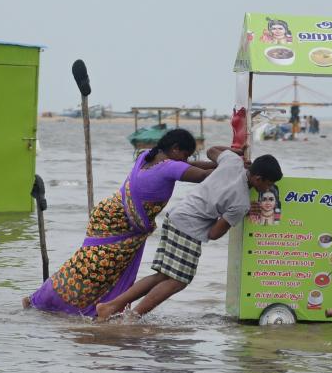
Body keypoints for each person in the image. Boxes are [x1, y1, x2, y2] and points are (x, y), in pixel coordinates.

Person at [22, 129, 221, 317]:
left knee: (84, 263)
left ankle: (38, 300)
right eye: (186, 155)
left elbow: (195, 167)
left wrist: (219, 164)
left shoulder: (146, 156)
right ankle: (50, 303)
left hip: (108, 213)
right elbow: (202, 176)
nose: (186, 161)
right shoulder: (170, 167)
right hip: (120, 224)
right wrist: (232, 167)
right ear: (175, 149)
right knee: (93, 271)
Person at [95, 150, 283, 321]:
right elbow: (214, 233)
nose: (268, 189)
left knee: (162, 276)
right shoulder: (241, 203)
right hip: (189, 227)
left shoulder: (233, 161)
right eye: (269, 184)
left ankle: (111, 306)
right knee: (179, 280)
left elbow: (211, 151)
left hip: (177, 215)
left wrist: (235, 152)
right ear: (258, 179)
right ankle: (133, 316)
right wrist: (234, 216)